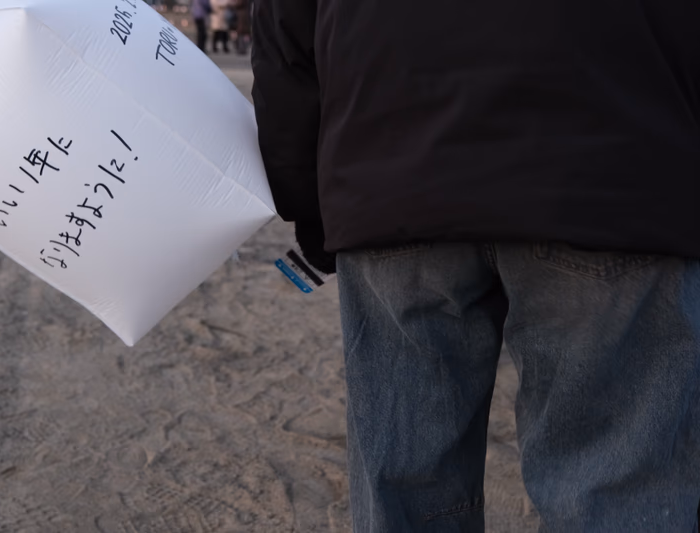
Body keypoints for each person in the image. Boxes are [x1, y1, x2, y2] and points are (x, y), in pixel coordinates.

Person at [251, 1, 700, 532]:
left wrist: (311, 205)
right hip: (614, 165)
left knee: (406, 485)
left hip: (391, 169)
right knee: (615, 488)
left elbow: (283, 38)